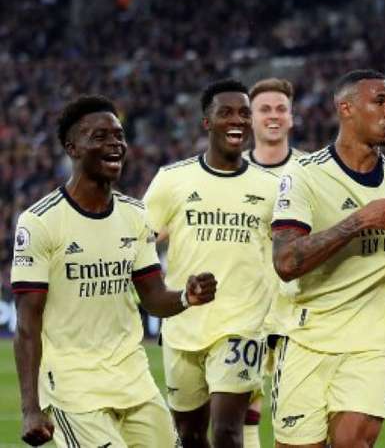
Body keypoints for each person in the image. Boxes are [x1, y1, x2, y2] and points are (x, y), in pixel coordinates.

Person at [11, 95, 217, 447]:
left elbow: (153, 297)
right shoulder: (40, 222)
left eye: (119, 136)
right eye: (100, 136)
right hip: (74, 388)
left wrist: (186, 296)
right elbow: (28, 323)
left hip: (132, 379)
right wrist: (31, 407)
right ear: (72, 148)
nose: (115, 144)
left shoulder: (135, 216)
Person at [270, 69, 385, 447]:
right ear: (346, 109)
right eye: (380, 101)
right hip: (306, 337)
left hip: (370, 341)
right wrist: (356, 222)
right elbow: (286, 263)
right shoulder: (303, 176)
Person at [143, 79, 278, 447]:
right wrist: (160, 292)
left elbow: (285, 253)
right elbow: (137, 244)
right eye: (226, 113)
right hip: (182, 325)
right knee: (188, 435)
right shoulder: (172, 180)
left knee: (228, 431)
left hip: (242, 324)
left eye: (244, 114)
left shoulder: (271, 187)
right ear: (207, 122)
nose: (237, 120)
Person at [241, 77, 305, 448]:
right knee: (242, 409)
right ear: (250, 119)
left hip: (296, 310)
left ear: (292, 118)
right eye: (264, 109)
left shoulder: (312, 170)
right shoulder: (230, 170)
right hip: (243, 306)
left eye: (281, 108)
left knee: (298, 418)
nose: (273, 115)